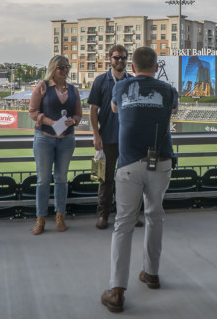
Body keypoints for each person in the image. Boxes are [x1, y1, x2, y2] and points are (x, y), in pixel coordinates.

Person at [101, 47, 178, 313]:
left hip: (129, 164)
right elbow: (174, 112)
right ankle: (151, 273)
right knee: (155, 216)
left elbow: (113, 109)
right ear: (156, 67)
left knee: (123, 224)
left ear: (132, 68)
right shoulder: (168, 90)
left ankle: (116, 290)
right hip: (162, 161)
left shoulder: (121, 87)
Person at [88, 45, 142, 230]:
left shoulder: (133, 81)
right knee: (106, 180)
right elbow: (93, 111)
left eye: (123, 58)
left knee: (130, 180)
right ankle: (103, 214)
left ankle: (130, 214)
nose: (120, 61)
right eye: (116, 58)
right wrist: (96, 135)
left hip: (129, 139)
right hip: (108, 138)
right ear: (109, 59)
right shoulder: (101, 81)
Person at [28, 55, 82, 235]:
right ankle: (40, 219)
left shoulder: (73, 90)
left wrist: (72, 121)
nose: (65, 70)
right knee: (43, 180)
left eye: (67, 67)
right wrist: (49, 121)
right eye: (61, 67)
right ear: (53, 68)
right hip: (44, 137)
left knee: (61, 179)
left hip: (66, 139)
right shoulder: (43, 86)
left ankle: (60, 216)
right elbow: (32, 112)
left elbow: (78, 115)